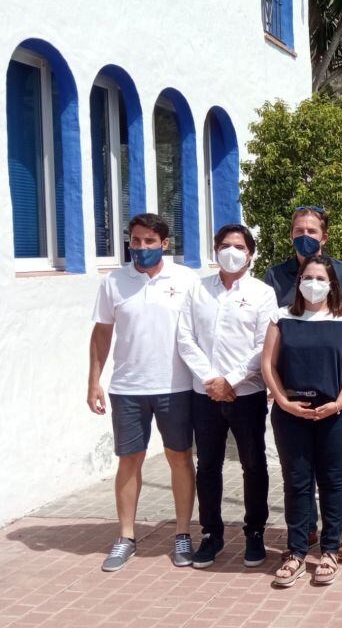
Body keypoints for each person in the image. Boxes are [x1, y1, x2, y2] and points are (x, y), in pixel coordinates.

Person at [87, 213, 200, 572]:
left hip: (177, 386)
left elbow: (202, 331)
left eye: (149, 241)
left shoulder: (185, 279)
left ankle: (182, 533)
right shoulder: (114, 282)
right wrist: (93, 381)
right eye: (135, 240)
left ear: (165, 244)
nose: (141, 247)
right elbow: (102, 334)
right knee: (129, 460)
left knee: (180, 458)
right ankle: (125, 537)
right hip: (127, 388)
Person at [263, 206, 342, 561]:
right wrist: (278, 395)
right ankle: (303, 533)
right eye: (298, 230)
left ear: (324, 236)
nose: (304, 235)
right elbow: (269, 352)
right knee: (297, 473)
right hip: (290, 401)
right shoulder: (274, 277)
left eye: (311, 230)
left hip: (336, 399)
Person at [177, 224, 277, 569]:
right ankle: (211, 534)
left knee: (253, 464)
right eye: (224, 245)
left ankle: (254, 533)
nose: (231, 251)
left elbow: (265, 345)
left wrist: (231, 380)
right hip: (204, 393)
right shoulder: (197, 289)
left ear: (250, 253)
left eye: (238, 246)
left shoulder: (263, 293)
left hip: (246, 393)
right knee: (207, 466)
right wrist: (211, 379)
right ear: (215, 250)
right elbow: (185, 338)